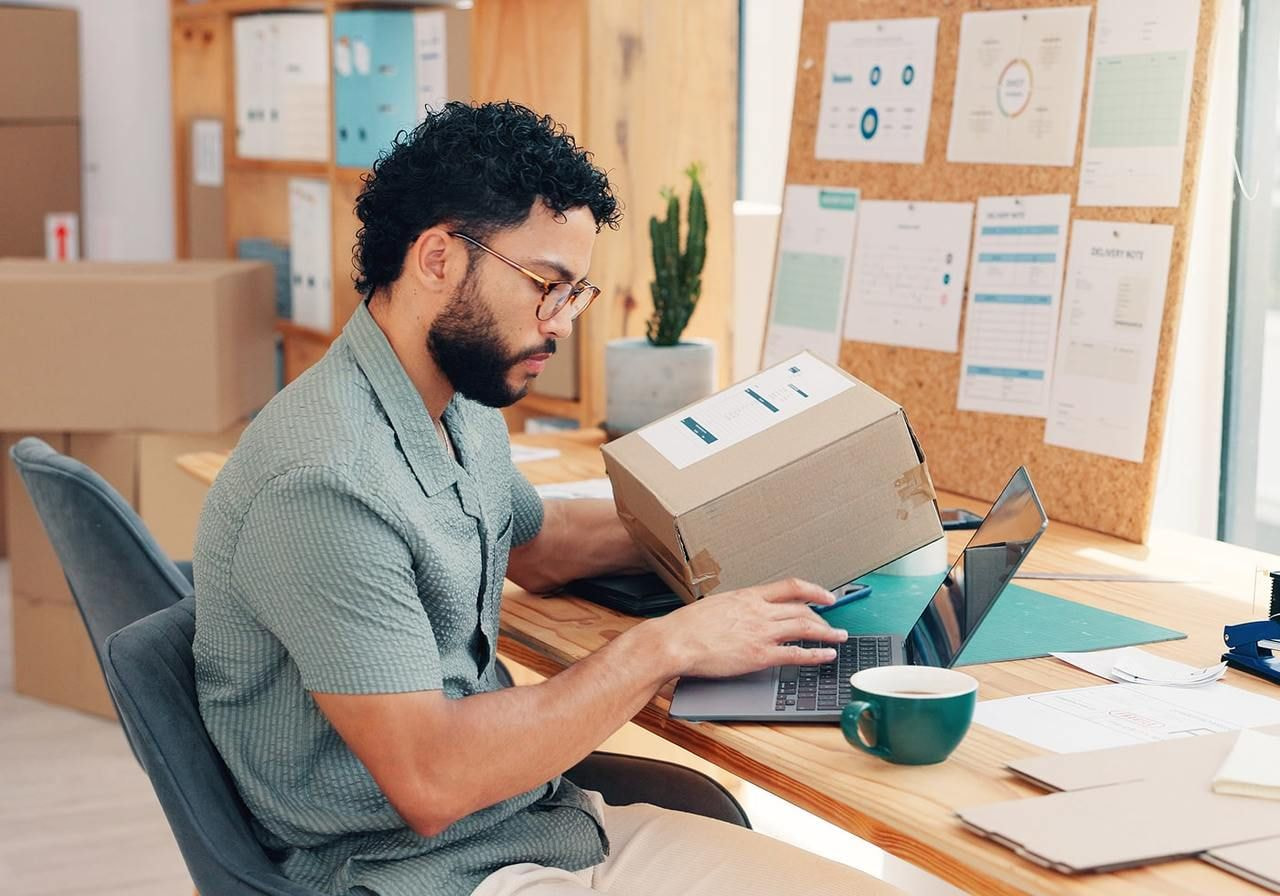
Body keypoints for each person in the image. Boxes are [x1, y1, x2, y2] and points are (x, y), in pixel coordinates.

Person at [193, 101, 899, 896]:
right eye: (545, 286)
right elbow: (431, 781)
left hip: (531, 826)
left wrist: (763, 521)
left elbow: (544, 542)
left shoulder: (450, 402)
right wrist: (669, 645)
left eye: (574, 293)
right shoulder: (325, 484)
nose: (561, 323)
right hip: (413, 872)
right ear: (436, 260)